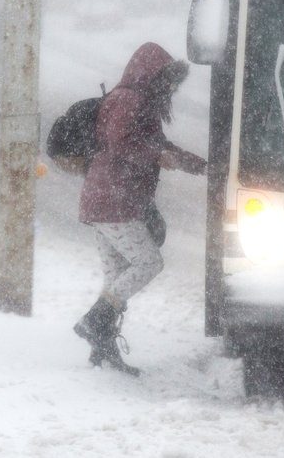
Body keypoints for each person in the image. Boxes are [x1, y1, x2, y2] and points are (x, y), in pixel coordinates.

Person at [74, 42, 206, 375]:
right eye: (168, 80)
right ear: (151, 75)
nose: (172, 88)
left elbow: (161, 146)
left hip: (105, 198)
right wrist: (155, 156)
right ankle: (94, 321)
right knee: (149, 262)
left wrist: (202, 166)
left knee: (117, 276)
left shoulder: (141, 102)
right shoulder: (128, 100)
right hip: (112, 199)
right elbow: (121, 143)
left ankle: (102, 348)